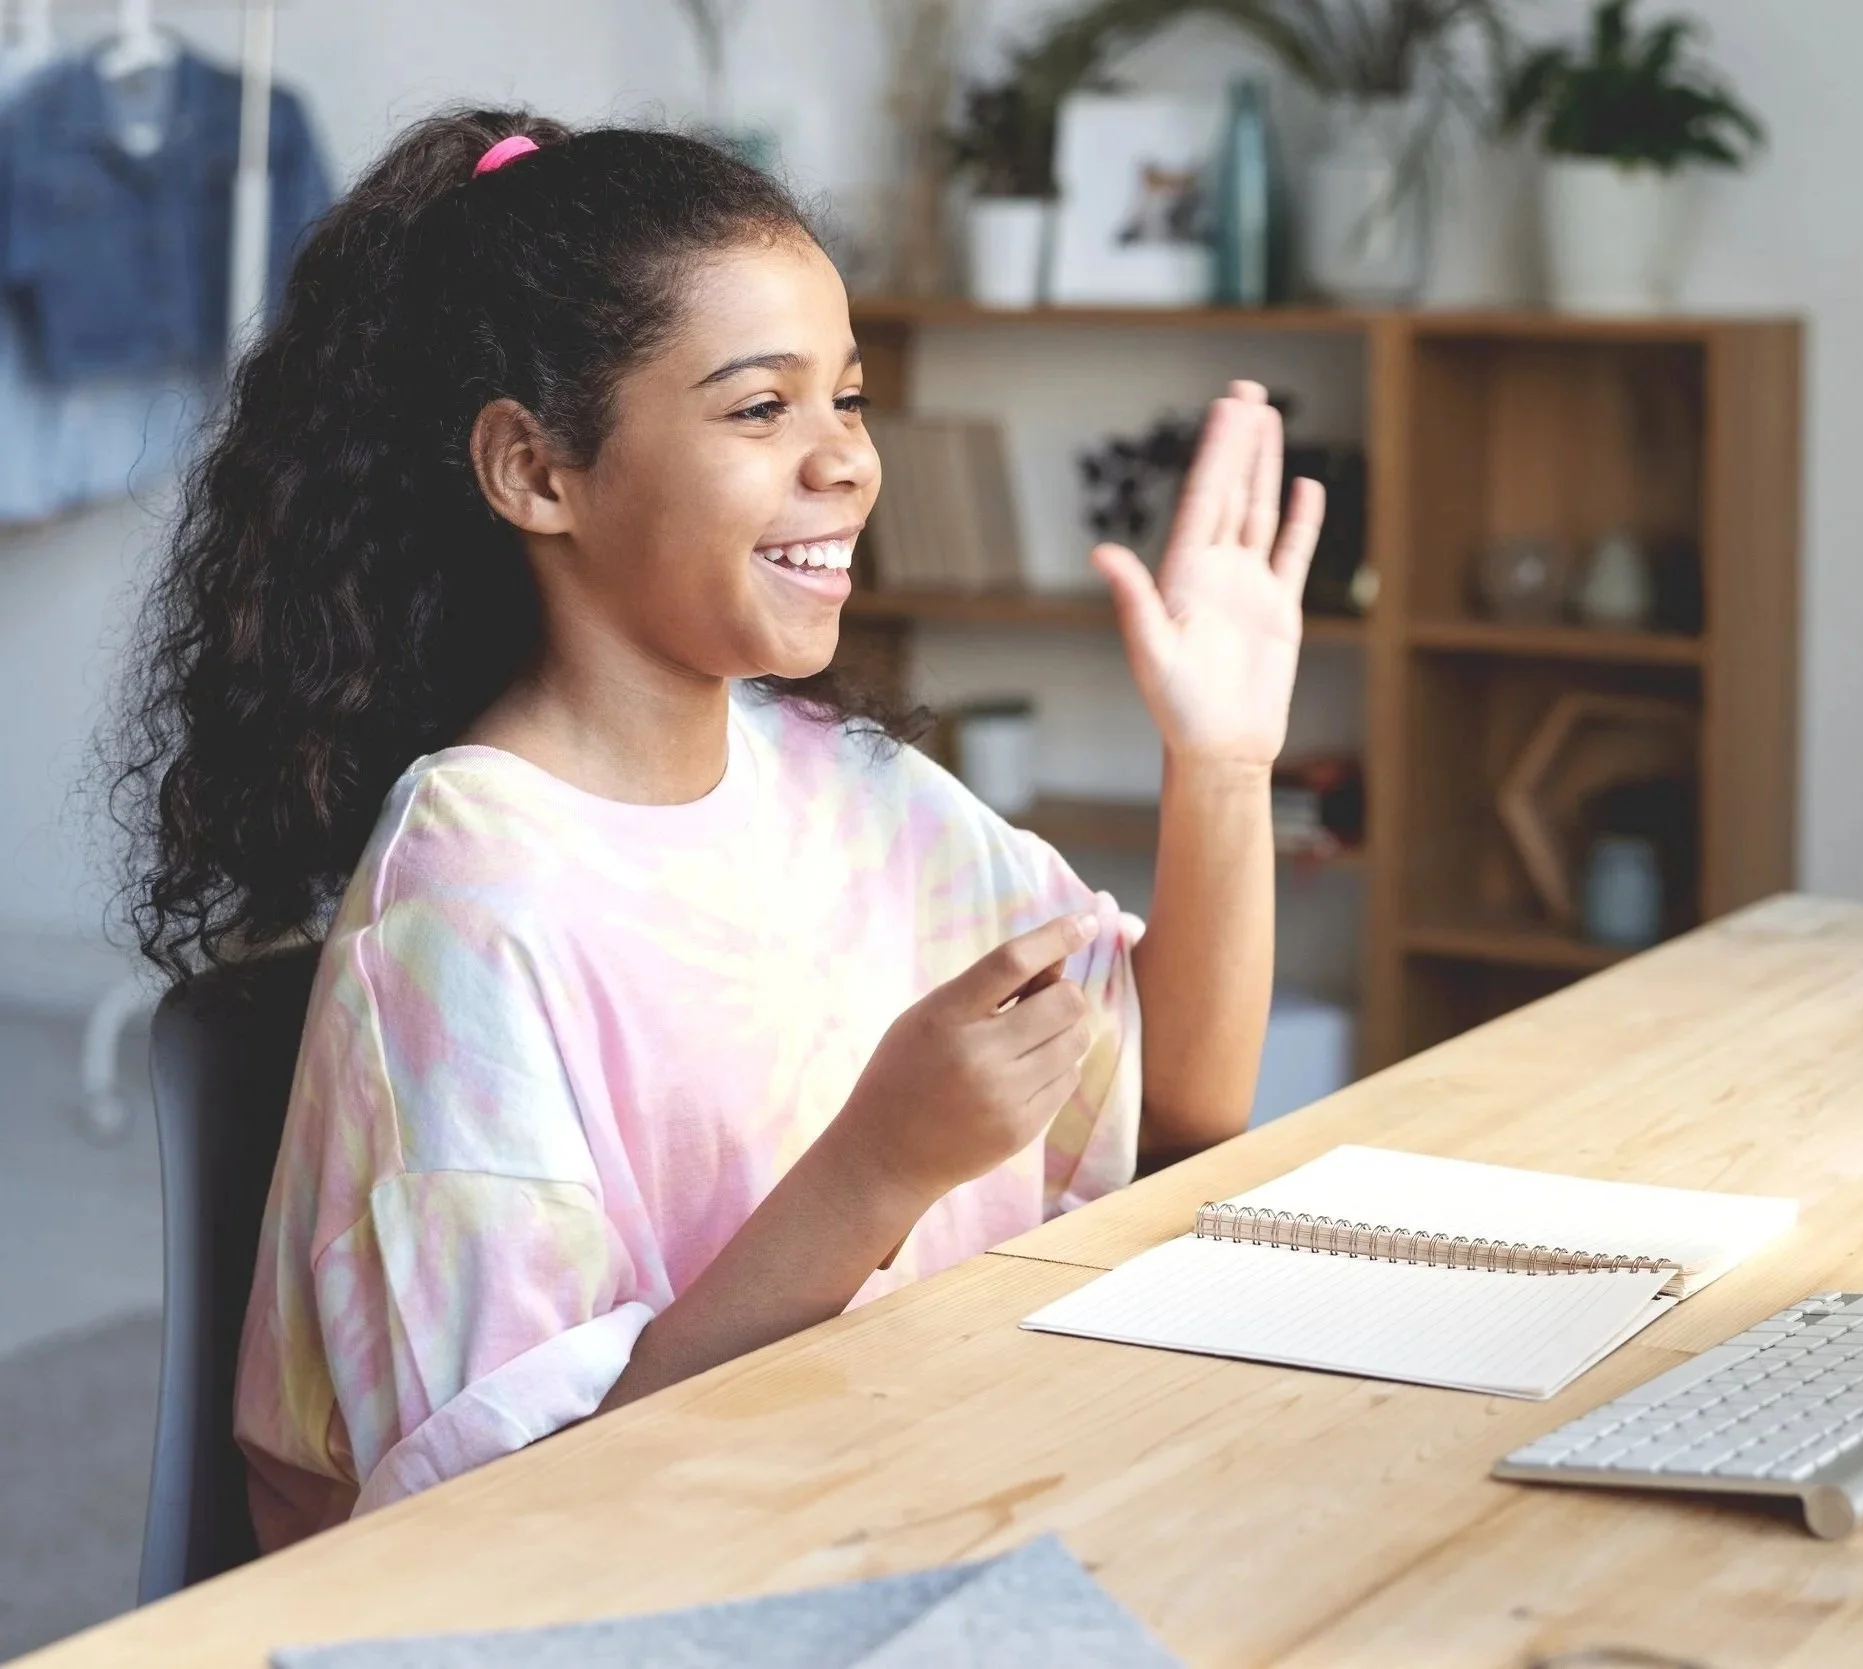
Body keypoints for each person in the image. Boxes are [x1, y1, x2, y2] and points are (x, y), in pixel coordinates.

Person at [113, 111, 1321, 1552]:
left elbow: (1177, 1118)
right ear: (537, 473)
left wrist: (1223, 762)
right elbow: (517, 1525)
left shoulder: (857, 792)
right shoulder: (464, 917)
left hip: (914, 1508)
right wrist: (880, 1167)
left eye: (851, 401)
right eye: (761, 411)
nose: (847, 466)